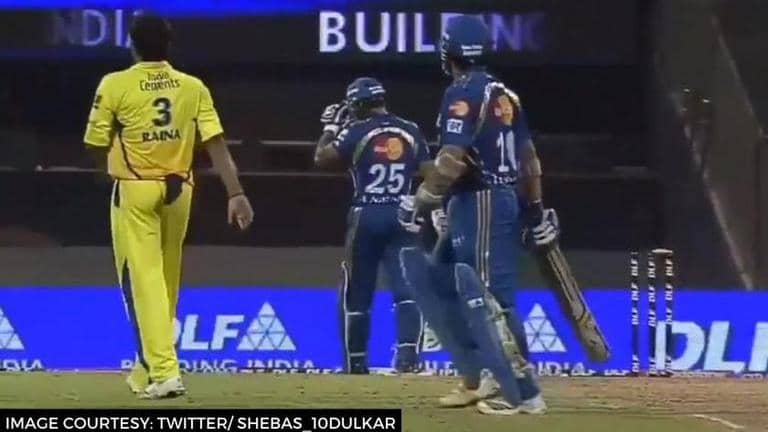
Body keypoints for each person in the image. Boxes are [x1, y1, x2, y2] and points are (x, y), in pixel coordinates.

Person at [83, 14, 254, 399]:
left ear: (132, 45)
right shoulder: (192, 87)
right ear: (169, 45)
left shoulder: (115, 83)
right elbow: (216, 144)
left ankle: (164, 372)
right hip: (180, 189)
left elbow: (94, 141)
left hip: (136, 189)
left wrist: (113, 160)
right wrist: (236, 193)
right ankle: (145, 371)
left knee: (142, 281)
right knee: (166, 281)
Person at [401, 15, 558, 415]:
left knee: (492, 298)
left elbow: (451, 160)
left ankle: (524, 394)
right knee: (440, 280)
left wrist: (421, 200)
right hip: (482, 199)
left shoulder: (462, 93)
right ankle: (481, 372)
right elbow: (529, 160)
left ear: (449, 53)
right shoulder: (506, 96)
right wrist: (534, 210)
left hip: (482, 200)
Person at [315, 78, 429, 374]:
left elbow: (322, 158)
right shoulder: (411, 129)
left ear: (359, 105)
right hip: (403, 212)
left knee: (357, 292)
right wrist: (426, 205)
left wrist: (330, 128)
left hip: (366, 213)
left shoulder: (355, 130)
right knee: (408, 289)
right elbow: (431, 173)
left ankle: (356, 363)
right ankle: (408, 360)